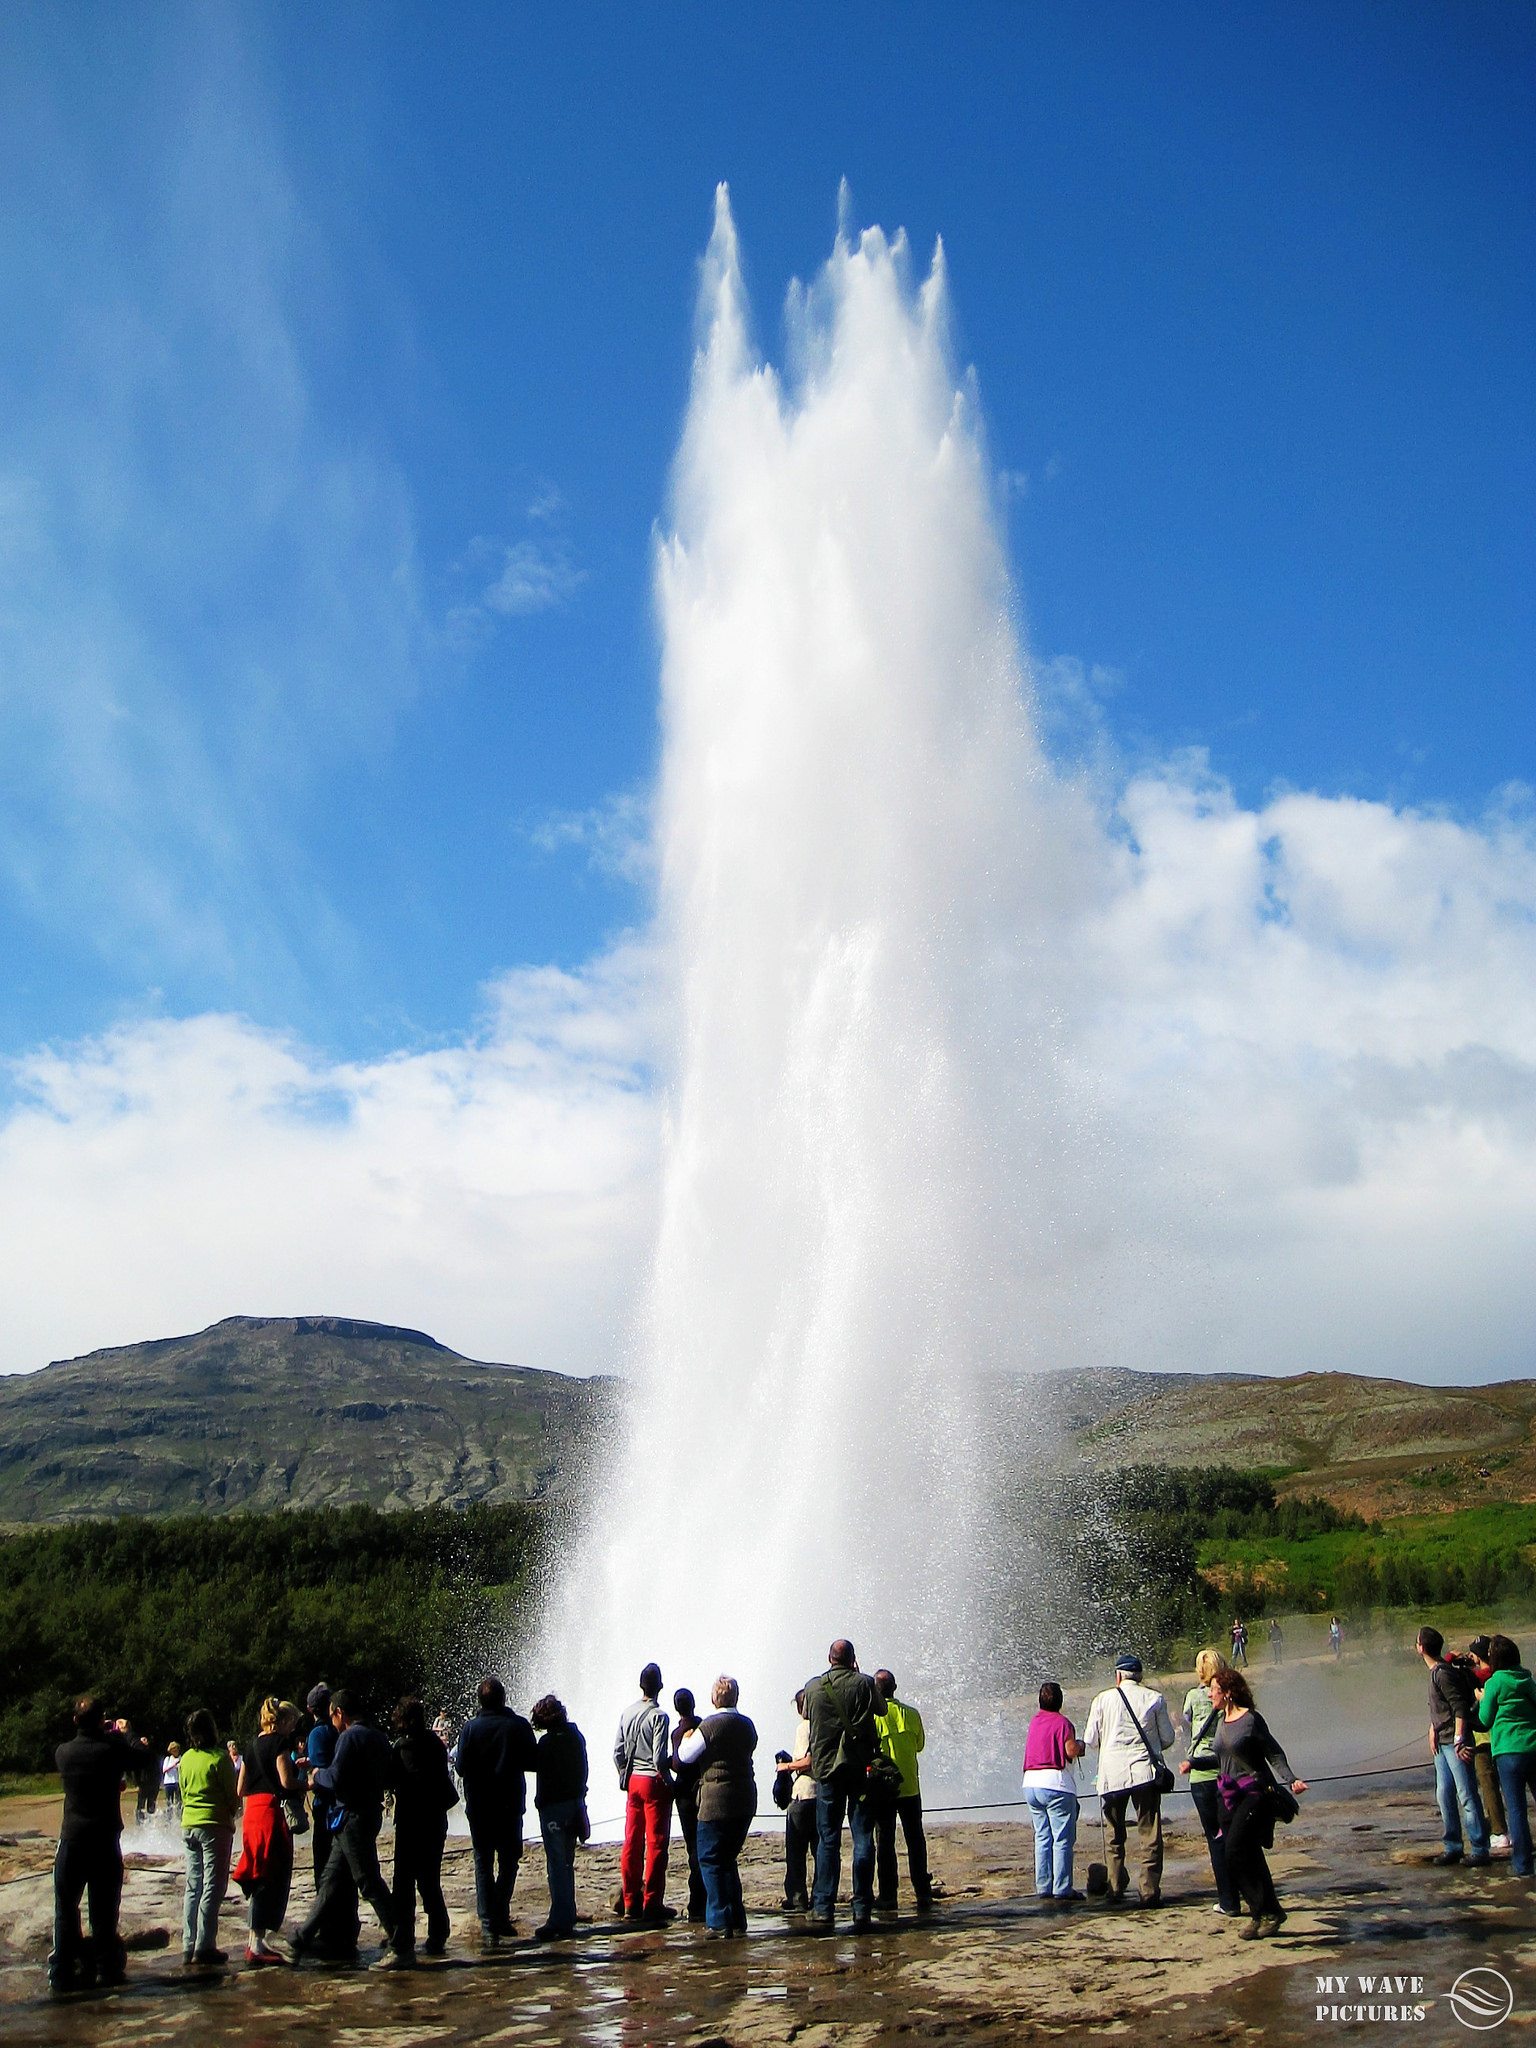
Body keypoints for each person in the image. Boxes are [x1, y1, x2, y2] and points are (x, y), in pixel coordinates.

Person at [292, 1689, 403, 1968]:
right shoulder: (377, 1735)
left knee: (367, 1880)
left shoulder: (349, 1736)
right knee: (330, 1878)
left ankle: (401, 1944)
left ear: (340, 1712)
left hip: (351, 1816)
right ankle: (300, 1939)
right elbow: (388, 1776)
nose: (332, 1722)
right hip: (365, 1813)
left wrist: (317, 1774)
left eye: (333, 1716)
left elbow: (336, 1776)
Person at [48, 1698, 148, 1993]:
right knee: (104, 1910)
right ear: (101, 1719)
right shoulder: (112, 1748)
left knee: (66, 1908)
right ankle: (106, 1968)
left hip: (73, 1836)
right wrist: (126, 1732)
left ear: (75, 1721)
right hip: (104, 1838)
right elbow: (145, 1758)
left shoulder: (63, 1752)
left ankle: (63, 1972)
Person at [1209, 1666, 1307, 1937]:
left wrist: (1291, 1779)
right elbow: (1221, 1758)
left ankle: (1269, 1911)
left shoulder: (1251, 1720)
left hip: (1254, 1792)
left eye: (1213, 1690)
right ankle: (1261, 1913)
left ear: (1227, 1693)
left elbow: (1273, 1752)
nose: (1209, 1695)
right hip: (1227, 1795)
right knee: (1244, 1855)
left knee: (1235, 1849)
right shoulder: (1219, 1720)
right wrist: (1192, 1762)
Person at [1082, 1652, 1176, 1908]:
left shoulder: (1102, 1699)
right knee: (1150, 1834)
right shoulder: (1154, 1698)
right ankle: (1148, 1890)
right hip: (1144, 1773)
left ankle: (1114, 1886)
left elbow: (1091, 1740)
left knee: (1114, 1833)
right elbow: (1167, 1738)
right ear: (1140, 1675)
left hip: (1111, 1776)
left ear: (1118, 1676)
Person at [453, 1676, 539, 1951]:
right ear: (504, 1698)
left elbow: (461, 1767)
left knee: (482, 1861)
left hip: (479, 1806)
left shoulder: (470, 1728)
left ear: (480, 1700)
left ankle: (489, 1922)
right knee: (510, 1860)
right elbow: (532, 1761)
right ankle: (500, 1913)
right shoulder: (517, 1725)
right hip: (510, 1803)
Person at [803, 1639, 880, 1931]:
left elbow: (808, 1714)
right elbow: (882, 1710)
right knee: (862, 1838)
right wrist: (861, 1677)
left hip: (827, 1772)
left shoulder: (813, 1687)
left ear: (829, 1658)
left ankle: (823, 1907)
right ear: (852, 1659)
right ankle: (861, 1907)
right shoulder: (864, 1683)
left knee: (828, 1840)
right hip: (859, 1769)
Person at [677, 1675, 758, 1937]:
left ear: (714, 1698)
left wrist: (686, 1738)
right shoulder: (747, 1725)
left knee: (710, 1859)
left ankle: (719, 1920)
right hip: (745, 1796)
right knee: (728, 1858)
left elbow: (686, 1756)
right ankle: (735, 1917)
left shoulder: (710, 1726)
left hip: (716, 1800)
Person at [232, 1697, 302, 1965]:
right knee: (272, 1875)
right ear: (282, 1722)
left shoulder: (250, 1745)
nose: (293, 1730)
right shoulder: (280, 1743)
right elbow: (285, 1780)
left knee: (257, 1873)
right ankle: (259, 1946)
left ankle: (255, 1942)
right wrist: (306, 1783)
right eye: (292, 1724)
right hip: (272, 1813)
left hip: (252, 1813)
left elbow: (240, 1790)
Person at [390, 1695, 459, 1962]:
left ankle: (404, 1935)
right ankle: (438, 1932)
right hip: (435, 1818)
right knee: (430, 1879)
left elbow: (393, 1779)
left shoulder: (402, 1748)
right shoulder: (434, 1743)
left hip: (411, 1820)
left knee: (404, 1881)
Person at [1416, 1626, 1489, 1867]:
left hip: (1454, 1743)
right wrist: (1432, 1729)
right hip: (1442, 1742)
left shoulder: (1442, 1674)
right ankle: (1453, 1846)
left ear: (1421, 1648)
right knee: (1444, 1794)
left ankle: (1479, 1849)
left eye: (1417, 1642)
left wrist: (1459, 1739)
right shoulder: (1437, 1671)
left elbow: (1458, 1707)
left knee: (1466, 1794)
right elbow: (1440, 1708)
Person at [1179, 1650, 1241, 1917]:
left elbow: (1187, 1723)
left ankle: (1227, 1899)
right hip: (1226, 1769)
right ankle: (1243, 1891)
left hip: (1200, 1776)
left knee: (1215, 1838)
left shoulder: (1193, 1697)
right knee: (1234, 1835)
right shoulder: (1228, 1696)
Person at [614, 1661, 675, 1924]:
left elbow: (617, 1751)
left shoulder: (627, 1713)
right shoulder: (659, 1716)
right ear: (660, 1686)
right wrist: (669, 1782)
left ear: (641, 1685)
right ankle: (652, 1902)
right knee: (656, 1844)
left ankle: (629, 1902)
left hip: (633, 1783)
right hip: (652, 1781)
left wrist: (623, 1776)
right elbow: (659, 1757)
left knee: (632, 1841)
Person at [178, 1708, 239, 1967]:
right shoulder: (220, 1758)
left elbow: (182, 1792)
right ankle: (205, 1945)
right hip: (214, 1825)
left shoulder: (186, 1758)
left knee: (194, 1885)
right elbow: (231, 1796)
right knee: (213, 1886)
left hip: (189, 1823)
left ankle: (187, 1944)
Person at [303, 1682, 360, 1960]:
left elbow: (321, 1772)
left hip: (326, 1810)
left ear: (310, 1709)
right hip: (345, 1808)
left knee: (324, 1871)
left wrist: (311, 1774)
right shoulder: (343, 1731)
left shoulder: (317, 1733)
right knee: (347, 1873)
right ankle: (348, 1929)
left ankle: (328, 1934)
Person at [1475, 1635, 1536, 1881]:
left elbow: (1485, 1720)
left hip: (1508, 1752)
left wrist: (1480, 1700)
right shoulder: (1526, 1678)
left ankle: (1523, 1866)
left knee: (1517, 1810)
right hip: (1534, 1746)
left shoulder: (1495, 1682)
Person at [872, 1668, 933, 1915]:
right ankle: (922, 1892)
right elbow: (919, 1745)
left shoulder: (873, 1718)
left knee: (884, 1842)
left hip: (883, 1789)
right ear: (895, 1688)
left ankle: (888, 1896)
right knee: (915, 1840)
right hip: (910, 1787)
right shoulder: (912, 1714)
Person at [530, 1694, 590, 1940]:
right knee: (567, 1861)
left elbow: (535, 1765)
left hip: (553, 1808)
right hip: (574, 1805)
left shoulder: (546, 1743)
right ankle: (568, 1912)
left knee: (556, 1865)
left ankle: (559, 1920)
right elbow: (583, 1770)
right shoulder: (576, 1737)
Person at [1022, 1681, 1085, 1905]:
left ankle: (1043, 1885)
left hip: (1031, 1783)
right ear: (1060, 1701)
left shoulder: (1034, 1721)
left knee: (1042, 1836)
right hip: (1056, 1784)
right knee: (1062, 1839)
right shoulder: (1063, 1723)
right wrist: (1080, 1746)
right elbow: (1069, 1750)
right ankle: (1062, 1887)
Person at [775, 1689, 818, 1914]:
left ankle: (797, 1897)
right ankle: (820, 1897)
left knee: (796, 1851)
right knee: (820, 1851)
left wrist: (787, 1766)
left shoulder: (804, 1727)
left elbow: (807, 1760)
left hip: (803, 1794)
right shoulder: (827, 1724)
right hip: (822, 1795)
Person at [1467, 1637, 1511, 1850]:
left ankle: (1499, 1831)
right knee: (1512, 1789)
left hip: (1484, 1740)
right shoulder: (1502, 1676)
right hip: (1505, 1739)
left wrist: (1452, 1659)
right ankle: (1510, 1831)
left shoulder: (1478, 1678)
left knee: (1489, 1786)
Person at [669, 1688, 708, 1923]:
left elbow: (679, 1763)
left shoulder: (677, 1733)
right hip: (701, 1790)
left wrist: (668, 1764)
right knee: (702, 1844)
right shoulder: (703, 1726)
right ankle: (702, 1899)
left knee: (692, 1846)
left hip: (684, 1794)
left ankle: (696, 1903)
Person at [135, 1734, 165, 1825]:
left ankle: (148, 1823)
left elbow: (158, 1769)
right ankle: (140, 1822)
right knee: (142, 1803)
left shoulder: (153, 1754)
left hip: (151, 1782)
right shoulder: (140, 1754)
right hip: (144, 1782)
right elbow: (137, 1770)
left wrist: (158, 1781)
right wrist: (137, 1782)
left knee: (150, 1803)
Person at [161, 1743, 183, 1823]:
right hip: (168, 1783)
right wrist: (173, 1765)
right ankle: (168, 1819)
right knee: (169, 1801)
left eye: (176, 1750)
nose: (175, 1751)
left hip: (177, 1782)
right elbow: (164, 1770)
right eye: (173, 1750)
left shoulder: (181, 1758)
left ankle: (179, 1818)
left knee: (178, 1801)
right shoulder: (168, 1759)